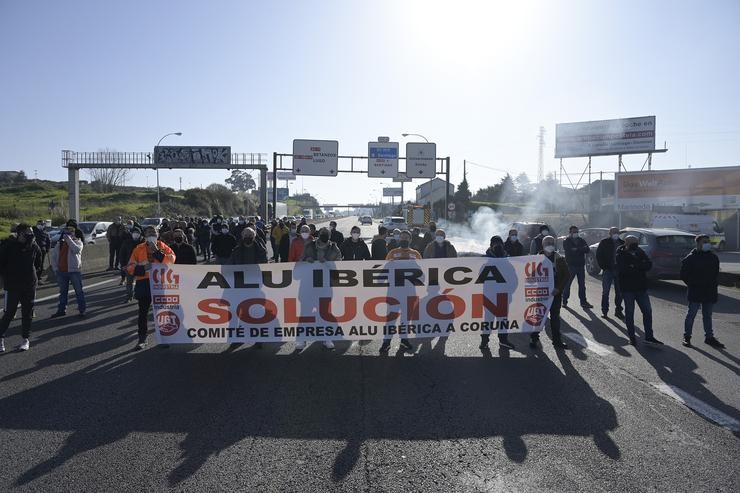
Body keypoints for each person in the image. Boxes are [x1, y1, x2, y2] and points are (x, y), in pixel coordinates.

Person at [127, 226, 176, 350]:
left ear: (158, 234)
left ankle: (164, 337)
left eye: (154, 232)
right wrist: (143, 269)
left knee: (162, 312)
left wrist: (156, 251)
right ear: (145, 235)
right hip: (143, 283)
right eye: (149, 233)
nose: (152, 234)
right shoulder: (138, 249)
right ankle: (142, 338)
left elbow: (170, 261)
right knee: (142, 313)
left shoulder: (164, 247)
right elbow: (130, 267)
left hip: (160, 283)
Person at [0, 224, 42, 352]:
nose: (30, 235)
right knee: (9, 313)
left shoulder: (34, 246)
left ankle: (25, 339)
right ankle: (1, 338)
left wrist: (33, 277)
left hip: (29, 285)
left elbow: (38, 263)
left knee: (27, 313)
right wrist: (7, 279)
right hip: (13, 286)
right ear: (19, 234)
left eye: (31, 233)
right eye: (27, 233)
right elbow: (1, 264)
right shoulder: (9, 246)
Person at [616, 235, 663, 346]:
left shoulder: (639, 251)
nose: (635, 245)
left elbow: (648, 264)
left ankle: (649, 337)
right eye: (632, 243)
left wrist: (635, 266)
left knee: (647, 311)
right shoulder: (620, 254)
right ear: (626, 243)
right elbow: (624, 270)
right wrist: (639, 266)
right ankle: (632, 337)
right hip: (627, 289)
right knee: (629, 313)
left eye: (636, 242)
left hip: (641, 288)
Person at [297, 227, 339, 350]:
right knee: (305, 313)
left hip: (325, 286)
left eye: (326, 234)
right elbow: (300, 261)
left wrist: (326, 262)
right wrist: (306, 260)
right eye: (322, 234)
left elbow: (339, 266)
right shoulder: (309, 245)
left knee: (324, 313)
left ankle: (326, 338)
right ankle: (302, 339)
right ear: (318, 234)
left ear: (329, 236)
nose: (324, 236)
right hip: (308, 285)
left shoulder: (334, 249)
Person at [680, 235, 725, 348]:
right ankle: (687, 337)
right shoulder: (690, 258)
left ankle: (709, 337)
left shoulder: (713, 257)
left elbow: (716, 274)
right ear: (698, 243)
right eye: (704, 242)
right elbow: (684, 275)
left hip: (709, 291)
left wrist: (712, 285)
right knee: (691, 314)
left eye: (708, 241)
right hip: (696, 290)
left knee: (707, 315)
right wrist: (694, 283)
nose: (707, 243)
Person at [382, 230, 420, 352]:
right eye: (402, 237)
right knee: (391, 319)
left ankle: (404, 340)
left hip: (409, 292)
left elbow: (422, 272)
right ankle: (386, 342)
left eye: (406, 237)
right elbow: (384, 271)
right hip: (394, 292)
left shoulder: (416, 254)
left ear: (410, 240)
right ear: (399, 239)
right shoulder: (392, 253)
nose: (404, 239)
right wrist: (389, 264)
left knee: (405, 319)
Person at [529, 236, 568, 349]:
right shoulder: (535, 259)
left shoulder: (559, 258)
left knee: (555, 318)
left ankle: (557, 341)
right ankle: (534, 338)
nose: (550, 244)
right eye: (547, 242)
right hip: (540, 294)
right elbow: (529, 277)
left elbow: (566, 275)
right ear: (542, 244)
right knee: (537, 317)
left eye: (551, 242)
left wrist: (558, 289)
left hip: (555, 294)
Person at [480, 236, 515, 350]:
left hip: (503, 296)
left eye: (499, 244)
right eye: (495, 244)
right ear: (490, 246)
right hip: (489, 296)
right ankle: (484, 341)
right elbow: (481, 278)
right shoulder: (485, 260)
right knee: (488, 320)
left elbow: (514, 279)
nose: (497, 246)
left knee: (503, 319)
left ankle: (503, 340)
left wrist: (509, 291)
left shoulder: (507, 260)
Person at [50, 223, 86, 318]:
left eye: (70, 232)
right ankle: (61, 310)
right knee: (63, 292)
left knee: (78, 291)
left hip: (74, 271)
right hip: (62, 271)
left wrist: (69, 240)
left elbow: (76, 250)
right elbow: (53, 257)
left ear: (74, 233)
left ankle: (82, 310)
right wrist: (55, 269)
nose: (67, 234)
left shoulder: (78, 242)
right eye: (66, 232)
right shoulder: (60, 244)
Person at [596, 227, 625, 319]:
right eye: (613, 232)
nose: (615, 233)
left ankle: (618, 310)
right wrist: (603, 267)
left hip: (619, 271)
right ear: (610, 233)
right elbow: (599, 255)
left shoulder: (622, 243)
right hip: (608, 270)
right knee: (605, 292)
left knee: (619, 293)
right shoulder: (604, 242)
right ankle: (604, 311)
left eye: (617, 232)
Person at [561, 225, 593, 309]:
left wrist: (577, 249)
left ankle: (583, 302)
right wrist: (580, 249)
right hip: (571, 265)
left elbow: (587, 250)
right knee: (567, 284)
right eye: (574, 232)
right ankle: (564, 301)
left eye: (576, 232)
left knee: (582, 285)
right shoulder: (566, 241)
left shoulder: (581, 240)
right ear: (570, 232)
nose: (575, 233)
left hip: (580, 265)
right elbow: (569, 251)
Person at [118, 226, 143, 303]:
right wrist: (123, 265)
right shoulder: (126, 242)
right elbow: (122, 254)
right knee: (129, 282)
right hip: (129, 265)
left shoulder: (144, 242)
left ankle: (140, 296)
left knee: (141, 282)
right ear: (131, 233)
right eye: (134, 233)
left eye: (137, 233)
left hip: (141, 266)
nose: (135, 234)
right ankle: (129, 296)